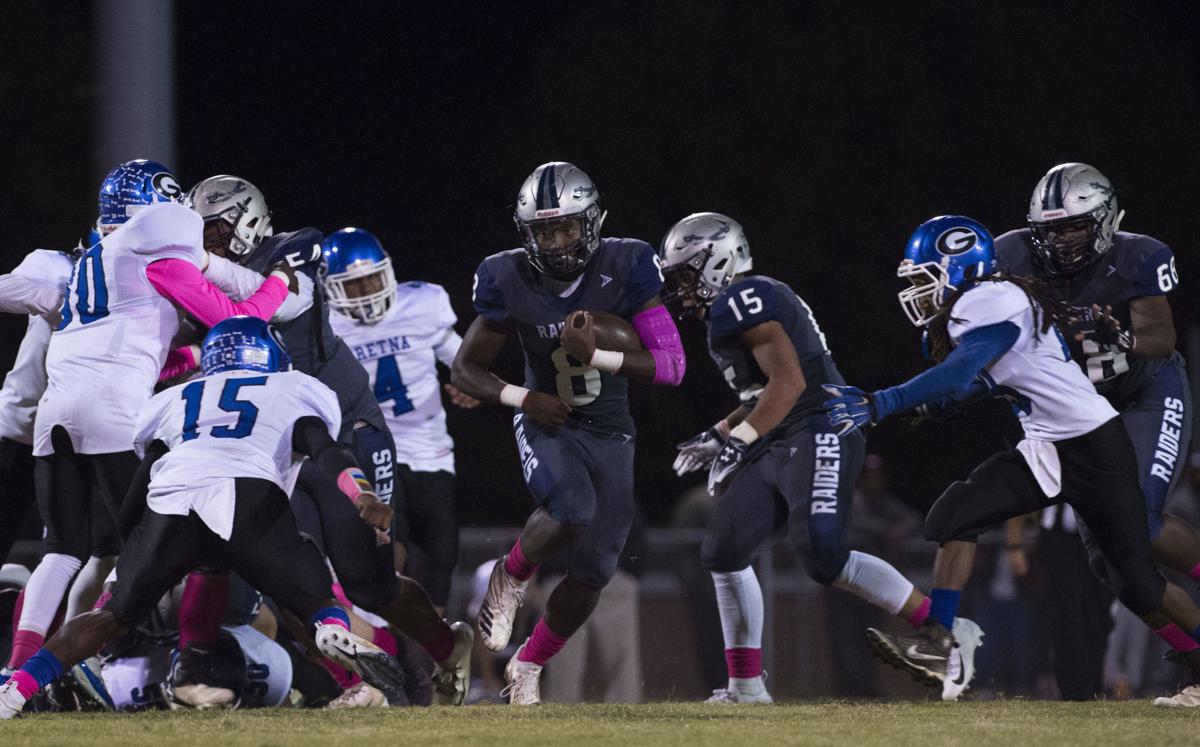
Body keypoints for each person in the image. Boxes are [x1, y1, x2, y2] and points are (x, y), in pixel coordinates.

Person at [824, 214, 1200, 705]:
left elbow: (965, 371)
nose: (917, 290)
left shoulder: (989, 299)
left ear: (959, 268)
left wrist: (884, 402)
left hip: (1092, 448)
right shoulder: (978, 304)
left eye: (924, 277)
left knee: (1139, 585)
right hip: (1047, 448)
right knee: (955, 513)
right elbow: (990, 377)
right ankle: (944, 640)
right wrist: (942, 401)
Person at [0, 316, 409, 718]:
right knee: (314, 600)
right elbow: (326, 449)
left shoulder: (176, 397)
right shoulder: (292, 387)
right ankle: (329, 629)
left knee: (111, 615)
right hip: (249, 494)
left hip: (173, 497)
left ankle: (17, 688)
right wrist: (361, 491)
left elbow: (147, 474)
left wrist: (132, 547)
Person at [658, 212, 974, 702]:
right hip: (784, 433)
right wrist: (720, 435)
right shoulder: (737, 304)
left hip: (820, 425)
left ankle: (943, 635)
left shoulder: (744, 297)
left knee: (822, 556)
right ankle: (745, 687)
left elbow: (790, 384)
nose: (680, 286)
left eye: (686, 272)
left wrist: (741, 440)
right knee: (723, 549)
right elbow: (761, 391)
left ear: (718, 260)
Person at [184, 176, 473, 708]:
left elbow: (269, 304)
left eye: (215, 231)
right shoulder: (204, 282)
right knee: (290, 580)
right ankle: (367, 684)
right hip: (277, 444)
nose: (208, 244)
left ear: (247, 219)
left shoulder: (294, 247)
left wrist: (195, 267)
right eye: (199, 236)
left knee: (371, 585)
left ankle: (444, 646)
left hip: (343, 428)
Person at [4, 161, 294, 681]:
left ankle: (18, 668)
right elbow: (234, 321)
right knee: (143, 546)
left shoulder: (90, 261)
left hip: (55, 413)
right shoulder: (157, 246)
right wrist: (277, 284)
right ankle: (76, 660)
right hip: (113, 412)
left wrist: (191, 358)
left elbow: (141, 348)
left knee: (60, 550)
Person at [451, 161, 686, 704]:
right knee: (571, 507)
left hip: (610, 429)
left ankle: (529, 666)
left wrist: (598, 354)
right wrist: (524, 397)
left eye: (566, 228)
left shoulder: (627, 263)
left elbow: (672, 364)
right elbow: (466, 370)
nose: (557, 243)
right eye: (544, 231)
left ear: (592, 222)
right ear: (526, 233)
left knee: (596, 569)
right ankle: (509, 579)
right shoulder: (506, 275)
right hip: (545, 417)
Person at [322, 227, 478, 614]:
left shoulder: (422, 304)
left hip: (432, 449)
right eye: (353, 285)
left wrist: (468, 383)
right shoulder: (325, 326)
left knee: (442, 561)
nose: (366, 292)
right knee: (394, 551)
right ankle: (384, 637)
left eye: (371, 280)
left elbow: (460, 361)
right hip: (372, 449)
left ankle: (436, 658)